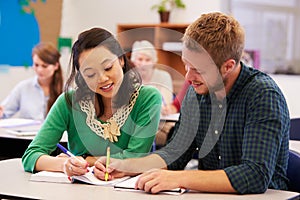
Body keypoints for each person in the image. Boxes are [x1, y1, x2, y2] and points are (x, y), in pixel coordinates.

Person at [93, 12, 290, 194]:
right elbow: (176, 153)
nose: (188, 76)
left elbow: (254, 176)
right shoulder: (197, 92)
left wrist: (179, 178)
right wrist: (128, 168)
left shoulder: (263, 95)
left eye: (198, 69)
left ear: (228, 66)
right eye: (186, 65)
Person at [22, 27, 162, 176]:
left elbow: (135, 158)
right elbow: (31, 156)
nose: (102, 79)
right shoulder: (68, 101)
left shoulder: (147, 98)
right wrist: (64, 164)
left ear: (121, 59)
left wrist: (86, 159)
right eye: (90, 74)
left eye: (108, 67)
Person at [0, 42, 63, 121]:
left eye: (44, 66)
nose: (39, 70)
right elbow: (4, 111)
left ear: (56, 66)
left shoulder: (66, 91)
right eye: (36, 65)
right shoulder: (23, 87)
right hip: (27, 132)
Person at [130, 40, 174, 105]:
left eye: (148, 60)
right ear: (133, 61)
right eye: (140, 59)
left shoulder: (164, 76)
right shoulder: (129, 78)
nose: (143, 64)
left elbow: (166, 104)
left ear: (154, 62)